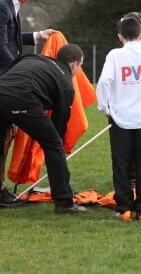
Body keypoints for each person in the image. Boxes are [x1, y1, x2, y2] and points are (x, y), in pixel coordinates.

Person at [96, 17, 141, 222]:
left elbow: (104, 81)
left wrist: (104, 107)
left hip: (119, 117)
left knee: (121, 162)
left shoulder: (115, 55)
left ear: (120, 36)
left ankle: (124, 208)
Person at [0, 44, 86, 213]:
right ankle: (64, 203)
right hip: (22, 98)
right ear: (74, 64)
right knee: (54, 145)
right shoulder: (66, 84)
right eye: (80, 67)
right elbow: (58, 127)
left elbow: (8, 72)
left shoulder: (34, 57)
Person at [0, 0, 55, 203]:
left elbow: (11, 38)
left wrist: (37, 36)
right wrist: (20, 72)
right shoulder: (2, 5)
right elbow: (1, 46)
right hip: (5, 81)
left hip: (6, 80)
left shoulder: (10, 3)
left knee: (4, 136)